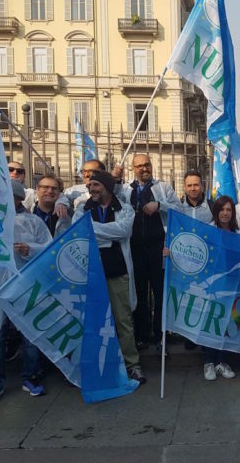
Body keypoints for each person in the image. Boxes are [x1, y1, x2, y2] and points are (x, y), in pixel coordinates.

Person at [0, 180, 52, 403]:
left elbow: (49, 248)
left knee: (30, 336)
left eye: (9, 197)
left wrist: (30, 250)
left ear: (17, 199)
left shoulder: (33, 222)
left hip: (26, 288)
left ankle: (31, 377)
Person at [73, 170, 146, 383]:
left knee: (123, 320)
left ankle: (132, 364)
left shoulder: (124, 208)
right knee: (94, 321)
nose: (92, 189)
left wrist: (94, 230)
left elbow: (124, 232)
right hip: (91, 274)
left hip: (118, 272)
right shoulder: (82, 209)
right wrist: (107, 232)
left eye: (96, 185)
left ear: (106, 186)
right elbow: (79, 231)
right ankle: (99, 365)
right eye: (90, 185)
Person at [113, 154, 180, 348]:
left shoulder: (163, 188)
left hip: (158, 248)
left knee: (159, 293)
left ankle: (160, 335)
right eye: (139, 166)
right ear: (133, 169)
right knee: (139, 293)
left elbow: (178, 209)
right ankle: (142, 335)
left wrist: (160, 205)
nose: (144, 168)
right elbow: (114, 199)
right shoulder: (126, 190)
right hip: (134, 249)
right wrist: (115, 179)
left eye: (147, 165)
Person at [199, 195, 240, 381]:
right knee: (211, 323)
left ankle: (222, 361)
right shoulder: (208, 231)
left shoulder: (238, 234)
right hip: (212, 285)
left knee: (227, 322)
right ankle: (209, 361)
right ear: (216, 211)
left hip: (231, 286)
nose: (225, 213)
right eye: (222, 209)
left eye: (229, 210)